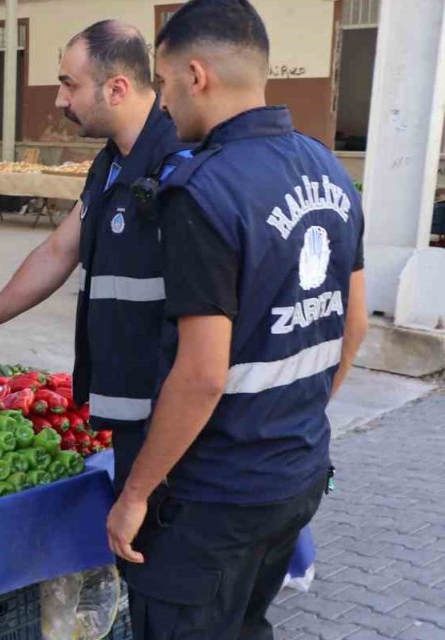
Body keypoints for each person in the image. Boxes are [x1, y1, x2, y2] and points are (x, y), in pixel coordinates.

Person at [103, 2, 368, 637]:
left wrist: (136, 494)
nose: (163, 105)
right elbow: (353, 324)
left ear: (197, 75)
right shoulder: (327, 166)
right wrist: (295, 418)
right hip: (295, 471)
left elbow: (201, 375)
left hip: (214, 498)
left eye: (164, 84)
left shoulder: (204, 190)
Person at [0, 21, 191, 494]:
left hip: (171, 416)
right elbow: (58, 249)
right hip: (126, 402)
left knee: (162, 543)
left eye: (69, 85)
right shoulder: (112, 161)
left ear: (116, 88)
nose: (59, 100)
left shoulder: (180, 164)